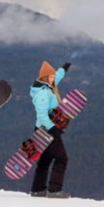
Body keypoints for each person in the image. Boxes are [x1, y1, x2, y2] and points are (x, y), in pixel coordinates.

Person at [30, 60, 72, 198]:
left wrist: (63, 69)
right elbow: (42, 115)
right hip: (46, 130)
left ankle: (37, 189)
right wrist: (53, 129)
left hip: (42, 129)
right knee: (62, 158)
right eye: (50, 77)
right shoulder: (43, 94)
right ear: (44, 77)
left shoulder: (48, 86)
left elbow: (56, 78)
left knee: (45, 160)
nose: (53, 79)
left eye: (53, 77)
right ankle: (54, 190)